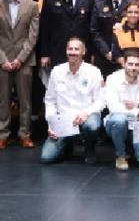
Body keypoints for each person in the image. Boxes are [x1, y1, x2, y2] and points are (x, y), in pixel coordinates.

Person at [0, 0, 40, 149]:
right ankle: (3, 135)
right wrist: (2, 60)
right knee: (3, 99)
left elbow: (32, 36)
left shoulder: (32, 5)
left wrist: (20, 59)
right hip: (2, 60)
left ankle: (24, 134)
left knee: (25, 100)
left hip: (24, 60)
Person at [41, 37, 103, 165]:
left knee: (93, 126)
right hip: (64, 120)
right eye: (70, 49)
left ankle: (89, 148)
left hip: (86, 117)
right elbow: (50, 100)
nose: (73, 52)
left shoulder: (93, 72)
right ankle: (67, 144)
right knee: (46, 157)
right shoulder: (57, 71)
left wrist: (86, 112)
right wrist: (51, 123)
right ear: (66, 51)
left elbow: (101, 100)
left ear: (83, 52)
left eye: (76, 49)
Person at [37, 0, 96, 78]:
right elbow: (44, 28)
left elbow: (91, 28)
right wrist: (44, 54)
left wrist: (92, 53)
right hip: (57, 51)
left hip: (81, 52)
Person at [104, 50, 139, 170]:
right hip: (118, 125)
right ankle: (121, 155)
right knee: (119, 119)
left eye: (137, 65)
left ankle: (131, 148)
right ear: (124, 64)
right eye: (130, 64)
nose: (133, 68)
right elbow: (114, 107)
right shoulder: (112, 79)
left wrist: (137, 105)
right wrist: (138, 111)